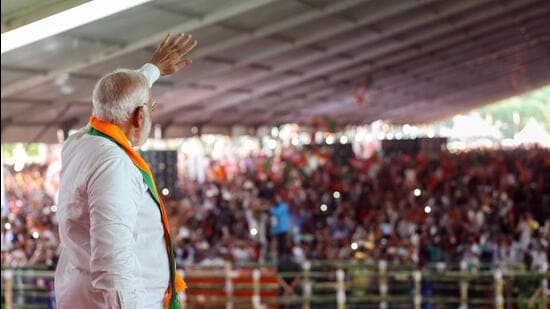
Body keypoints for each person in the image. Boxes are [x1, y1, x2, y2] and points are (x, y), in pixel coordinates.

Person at [54, 33, 197, 308]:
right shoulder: (114, 165)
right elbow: (113, 263)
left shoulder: (81, 142)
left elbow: (111, 101)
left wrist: (152, 70)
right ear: (139, 116)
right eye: (151, 107)